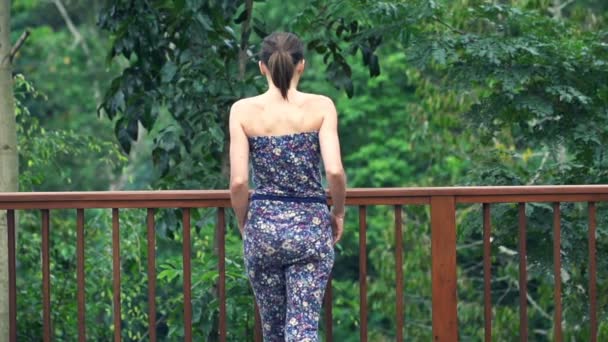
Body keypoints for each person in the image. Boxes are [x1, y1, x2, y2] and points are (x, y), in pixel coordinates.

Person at [229, 31, 347, 341]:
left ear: (262, 67)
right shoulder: (322, 107)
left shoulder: (242, 111)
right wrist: (339, 213)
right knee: (302, 331)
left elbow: (239, 181)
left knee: (274, 332)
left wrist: (246, 221)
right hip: (310, 228)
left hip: (263, 228)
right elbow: (334, 171)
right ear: (302, 66)